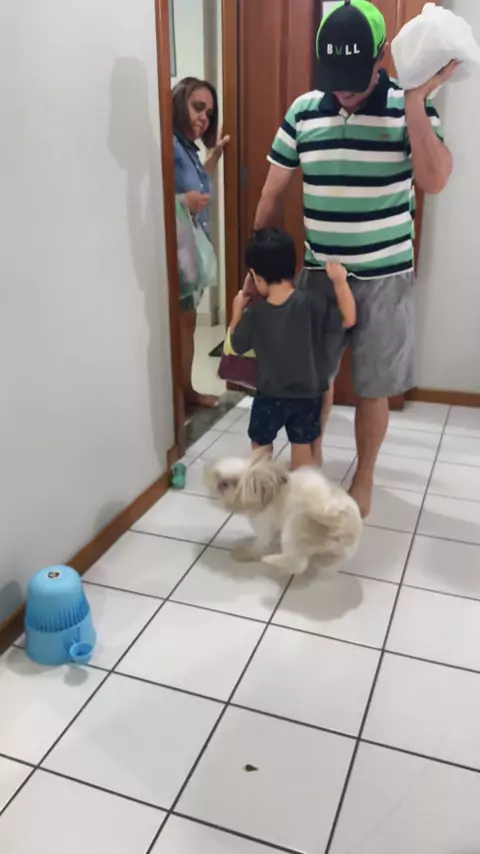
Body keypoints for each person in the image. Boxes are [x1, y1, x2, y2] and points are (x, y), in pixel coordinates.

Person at [245, 0, 455, 516]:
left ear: (380, 57)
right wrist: (257, 273)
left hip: (385, 277)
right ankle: (311, 461)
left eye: (353, 78)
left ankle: (363, 476)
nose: (342, 89)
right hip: (319, 275)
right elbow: (271, 197)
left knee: (373, 387)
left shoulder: (408, 106)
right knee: (309, 378)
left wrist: (415, 103)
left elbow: (434, 180)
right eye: (333, 77)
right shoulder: (303, 110)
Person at [229, 228, 356, 470]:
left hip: (269, 395)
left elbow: (236, 344)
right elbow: (348, 318)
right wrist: (340, 283)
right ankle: (300, 485)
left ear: (256, 277)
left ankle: (261, 483)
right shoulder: (313, 303)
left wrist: (237, 312)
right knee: (302, 445)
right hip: (307, 396)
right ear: (294, 266)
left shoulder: (255, 314)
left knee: (260, 444)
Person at [172, 76, 230, 409]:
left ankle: (187, 393)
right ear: (179, 103)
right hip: (177, 255)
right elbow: (158, 196)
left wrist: (216, 154)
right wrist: (184, 202)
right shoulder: (169, 145)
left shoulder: (187, 149)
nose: (203, 118)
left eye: (208, 113)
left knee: (187, 326)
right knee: (182, 329)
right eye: (197, 107)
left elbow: (198, 183)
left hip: (189, 255)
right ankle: (182, 397)